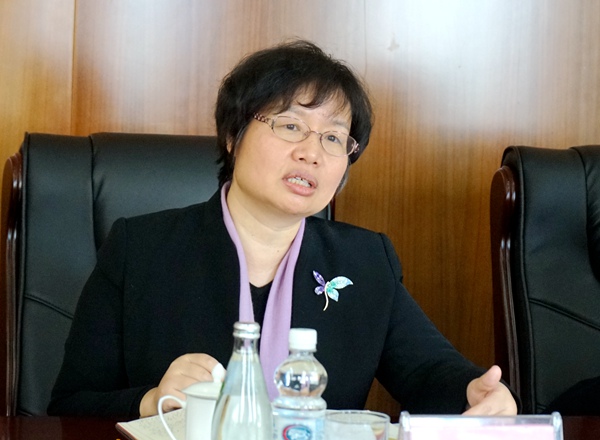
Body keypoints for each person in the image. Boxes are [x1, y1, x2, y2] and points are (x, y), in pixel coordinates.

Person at [48, 40, 518, 418]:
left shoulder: (365, 262)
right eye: (291, 126)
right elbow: (70, 407)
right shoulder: (141, 250)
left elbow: (430, 372)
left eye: (333, 137)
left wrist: (474, 392)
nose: (311, 152)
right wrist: (151, 402)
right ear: (232, 137)